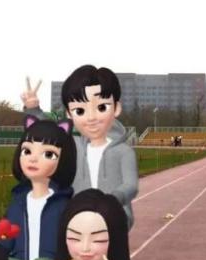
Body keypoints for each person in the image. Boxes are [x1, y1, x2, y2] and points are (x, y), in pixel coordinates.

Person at [22, 69, 139, 230]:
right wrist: (33, 109)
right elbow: (49, 133)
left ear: (116, 108)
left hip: (113, 220)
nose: (91, 118)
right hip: (75, 219)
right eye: (80, 111)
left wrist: (113, 199)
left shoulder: (124, 151)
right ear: (69, 114)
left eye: (101, 107)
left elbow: (131, 185)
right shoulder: (73, 145)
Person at [0, 116, 77, 260]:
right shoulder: (17, 202)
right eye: (27, 151)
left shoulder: (65, 206)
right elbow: (5, 242)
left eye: (48, 154)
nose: (33, 159)